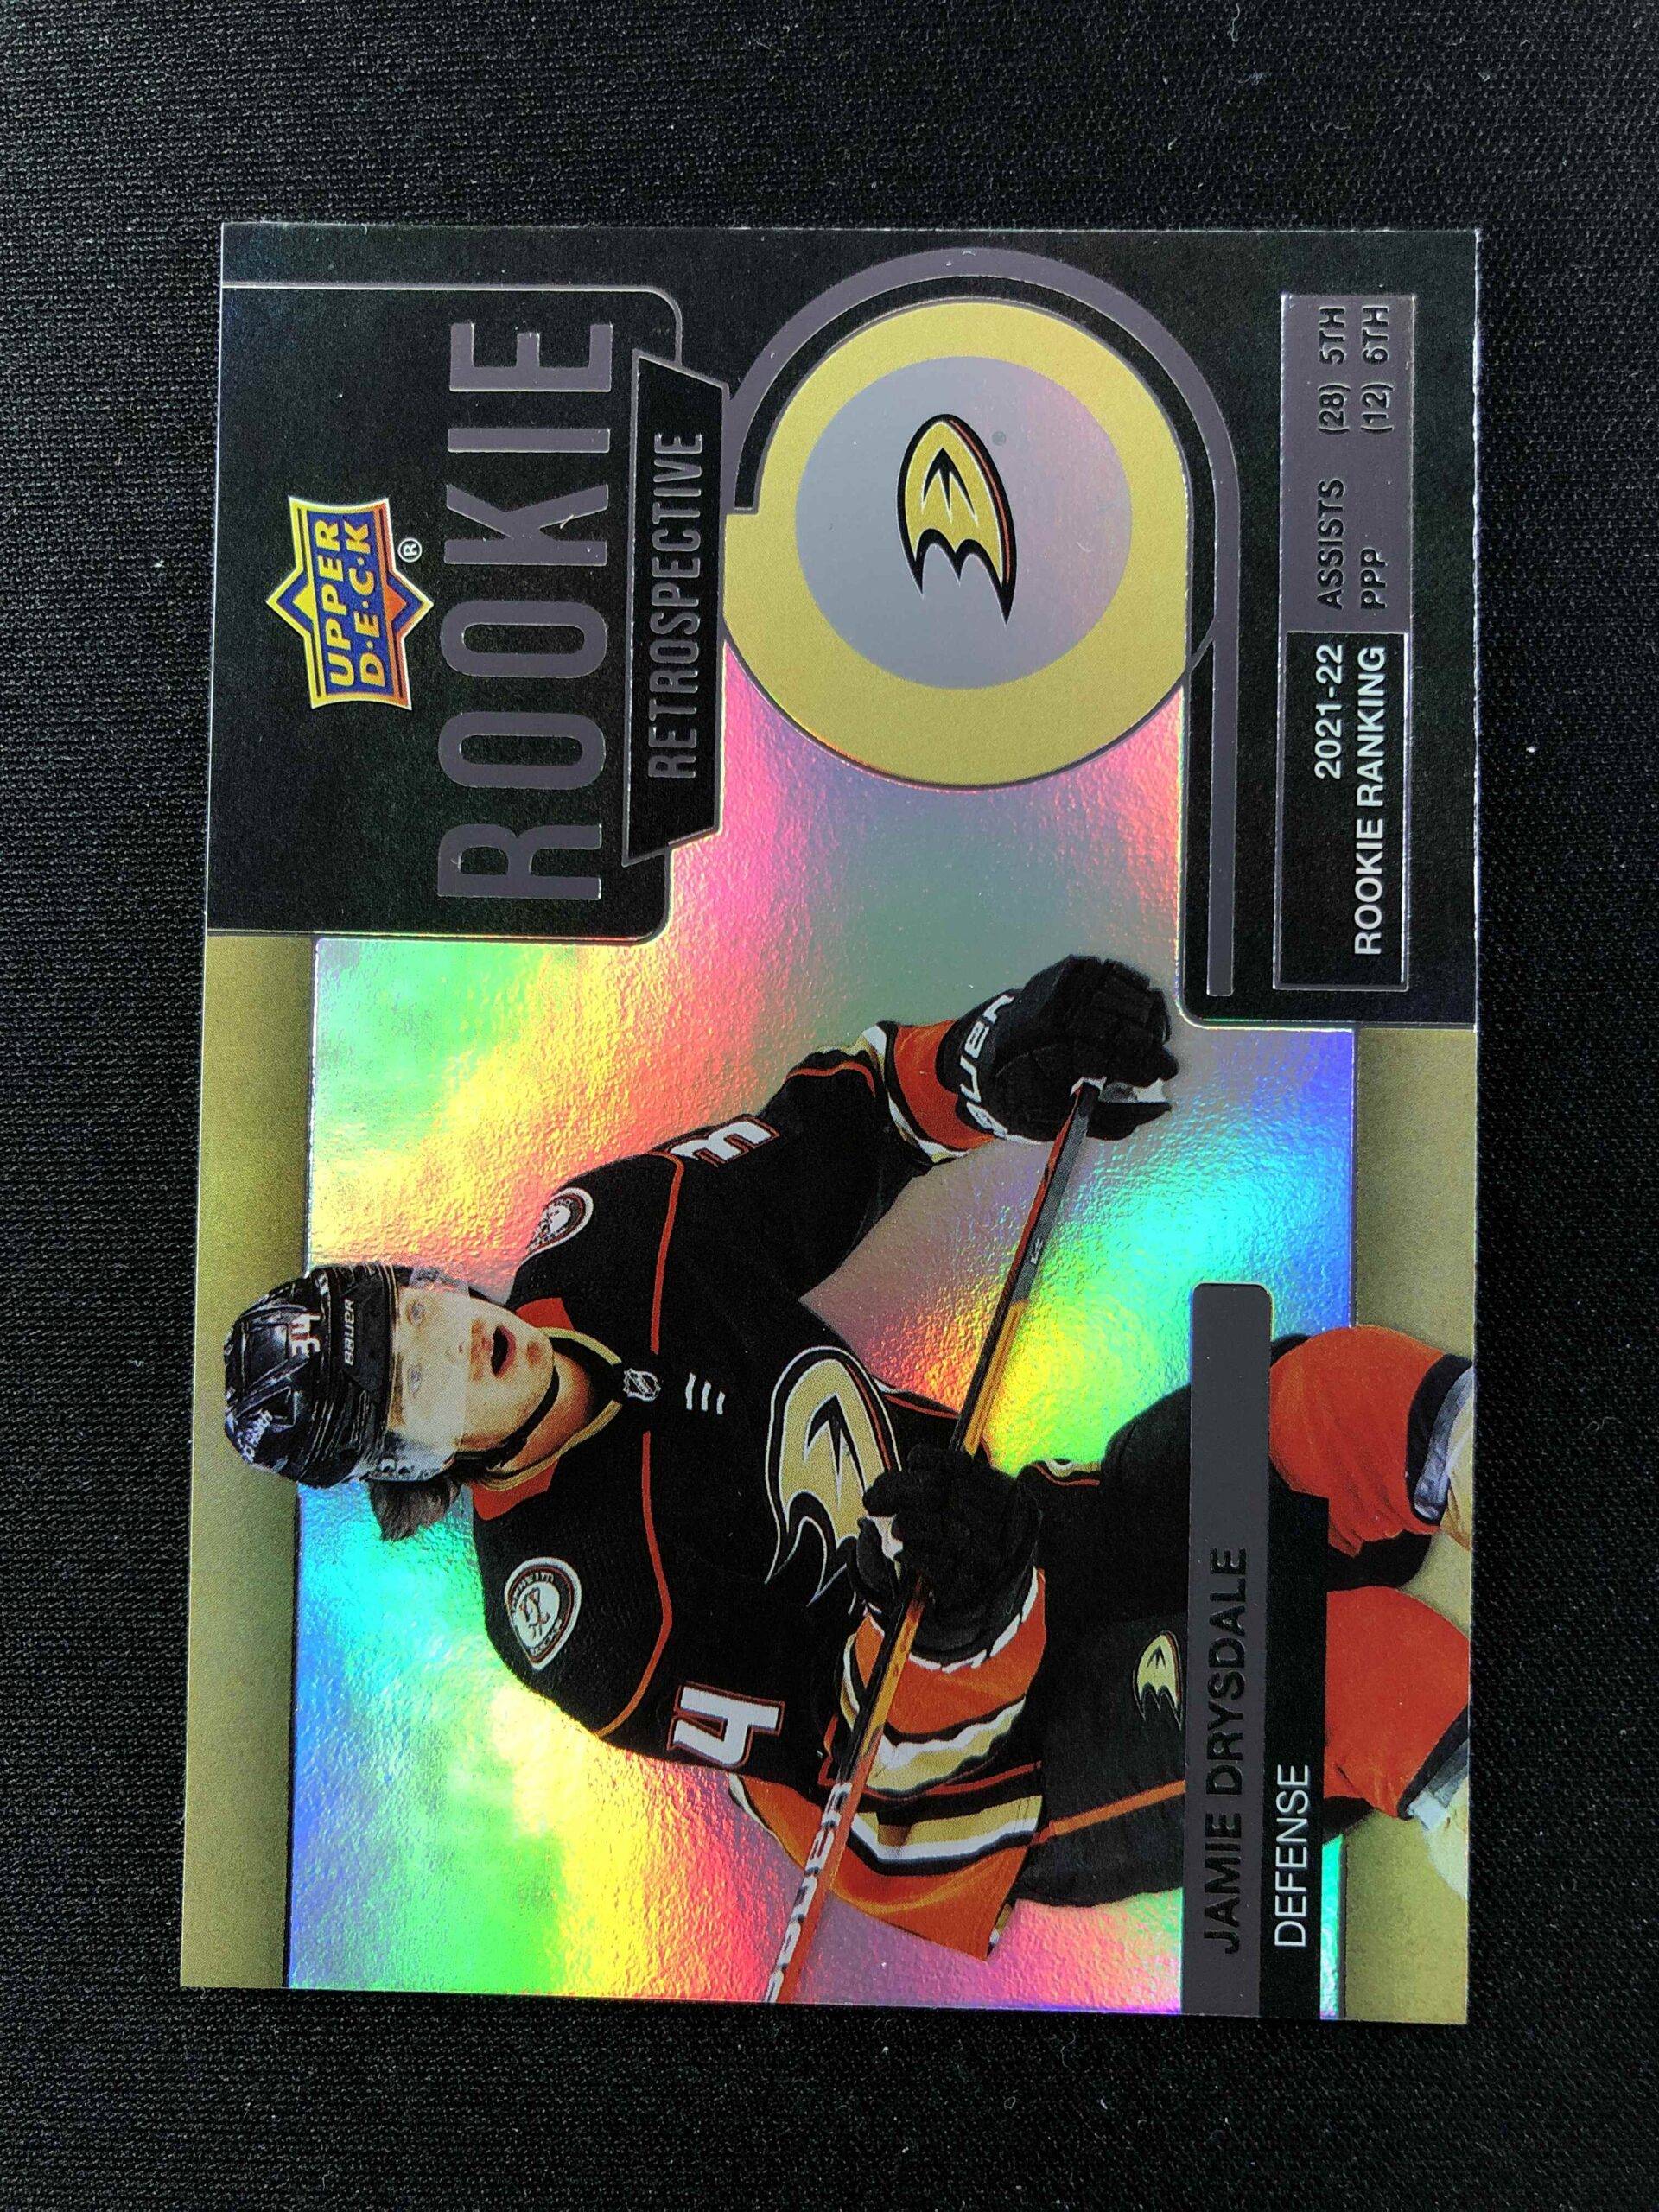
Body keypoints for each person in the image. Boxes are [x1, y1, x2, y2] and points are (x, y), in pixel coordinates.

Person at [223, 956, 1471, 1957]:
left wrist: (994, 1057)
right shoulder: (580, 1621)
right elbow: (852, 1747)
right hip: (968, 1779)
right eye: (410, 1387)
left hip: (1017, 1539)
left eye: (414, 1311)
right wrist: (956, 1622)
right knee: (1366, 1672)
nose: (452, 1342)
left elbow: (848, 1127)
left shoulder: (610, 1238)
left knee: (1332, 1401)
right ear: (407, 1467)